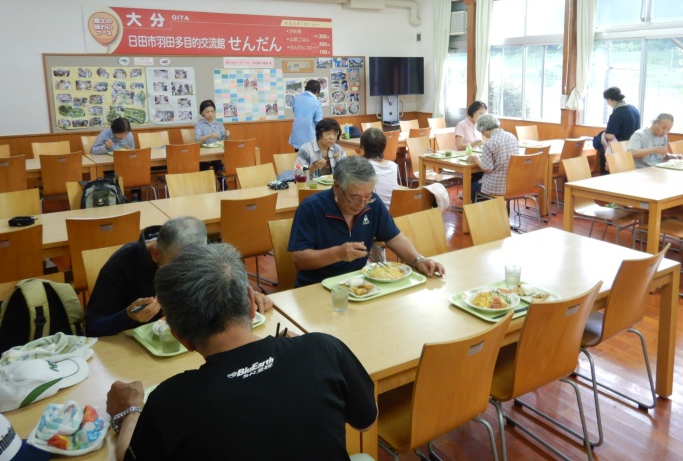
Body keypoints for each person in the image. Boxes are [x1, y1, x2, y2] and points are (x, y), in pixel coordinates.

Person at [105, 243, 376, 461]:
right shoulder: (323, 349)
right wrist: (302, 349)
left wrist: (130, 412)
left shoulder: (169, 402)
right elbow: (365, 421)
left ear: (179, 336)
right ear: (251, 303)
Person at [85, 216, 272, 337]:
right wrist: (128, 315)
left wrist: (247, 296)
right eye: (177, 264)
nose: (187, 271)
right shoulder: (122, 264)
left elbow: (225, 295)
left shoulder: (205, 255)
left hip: (192, 342)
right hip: (142, 351)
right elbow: (93, 327)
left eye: (193, 263)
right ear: (156, 254)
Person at [288, 156, 446, 286]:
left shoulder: (373, 203)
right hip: (316, 286)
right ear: (336, 187)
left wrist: (418, 260)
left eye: (367, 196)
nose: (362, 203)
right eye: (354, 197)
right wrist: (338, 253)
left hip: (359, 284)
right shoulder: (311, 208)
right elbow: (300, 260)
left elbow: (394, 238)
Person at [467, 113, 519, 202]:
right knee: (478, 178)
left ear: (484, 129)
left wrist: (477, 160)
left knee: (470, 187)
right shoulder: (512, 136)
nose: (483, 135)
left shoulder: (489, 143)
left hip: (496, 187)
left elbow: (488, 170)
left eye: (481, 132)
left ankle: (480, 210)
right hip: (512, 185)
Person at [595, 87, 640, 174]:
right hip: (633, 145)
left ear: (610, 100)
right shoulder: (634, 109)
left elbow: (610, 136)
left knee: (596, 141)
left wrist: (603, 134)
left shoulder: (617, 114)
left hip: (620, 147)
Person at [360, 127, 399, 207]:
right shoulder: (393, 166)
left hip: (375, 210)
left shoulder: (363, 166)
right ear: (384, 147)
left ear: (363, 147)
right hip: (395, 209)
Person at [194, 100, 229, 176]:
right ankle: (206, 181)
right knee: (204, 168)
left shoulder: (219, 124)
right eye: (207, 112)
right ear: (202, 112)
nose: (210, 114)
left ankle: (222, 182)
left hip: (217, 153)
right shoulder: (199, 125)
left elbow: (223, 139)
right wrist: (209, 135)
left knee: (219, 165)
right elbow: (197, 139)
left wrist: (227, 135)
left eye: (212, 111)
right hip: (204, 154)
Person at [289, 79, 323, 151]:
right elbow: (319, 123)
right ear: (317, 90)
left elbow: (295, 112)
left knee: (298, 157)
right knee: (311, 157)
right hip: (310, 138)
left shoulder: (296, 99)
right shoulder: (316, 102)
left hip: (297, 137)